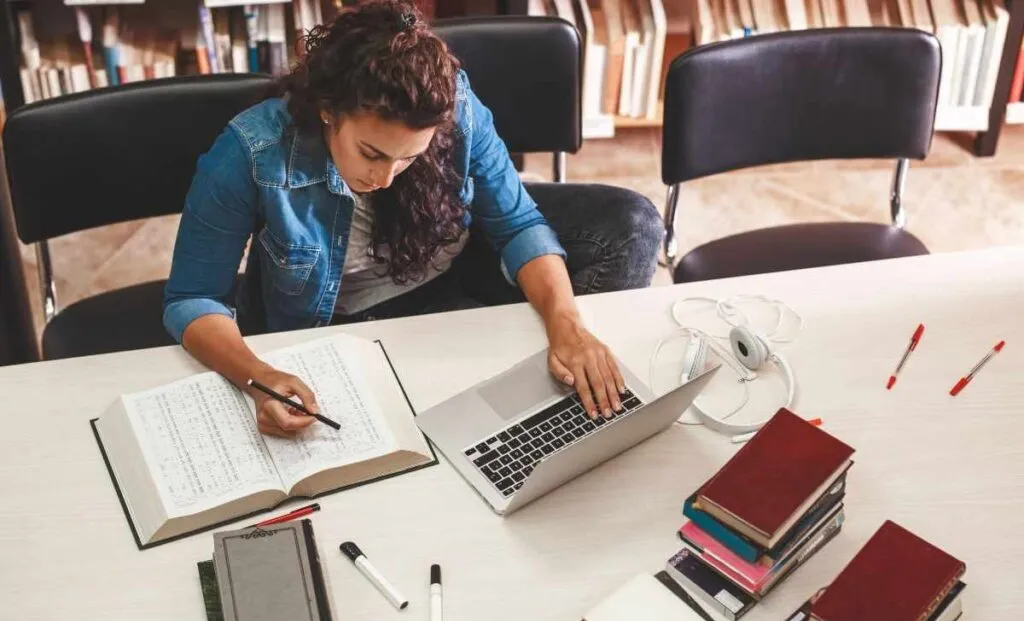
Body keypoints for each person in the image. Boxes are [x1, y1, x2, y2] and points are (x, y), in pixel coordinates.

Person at [163, 0, 664, 438]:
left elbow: (515, 224)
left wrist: (566, 324)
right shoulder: (253, 151)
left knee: (632, 223)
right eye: (371, 153)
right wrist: (257, 377)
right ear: (328, 110)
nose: (387, 178)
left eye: (408, 159)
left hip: (452, 284)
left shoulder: (457, 105)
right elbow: (193, 298)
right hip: (343, 323)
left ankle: (580, 384)